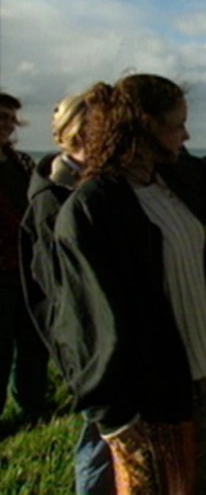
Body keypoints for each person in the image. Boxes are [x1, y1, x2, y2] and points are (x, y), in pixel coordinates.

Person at [53, 74, 206, 494]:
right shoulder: (94, 208)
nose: (186, 135)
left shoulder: (168, 181)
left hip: (198, 375)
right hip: (148, 397)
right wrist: (114, 416)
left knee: (197, 486)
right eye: (176, 125)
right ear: (142, 126)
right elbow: (87, 322)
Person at [19, 93, 115, 494]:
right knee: (99, 432)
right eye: (102, 125)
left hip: (105, 327)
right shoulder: (52, 200)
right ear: (79, 131)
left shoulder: (94, 181)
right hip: (87, 333)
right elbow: (60, 282)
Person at [0, 91, 49, 422]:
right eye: (0, 117)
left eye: (9, 118)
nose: (5, 125)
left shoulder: (23, 163)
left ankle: (32, 408)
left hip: (28, 269)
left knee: (34, 346)